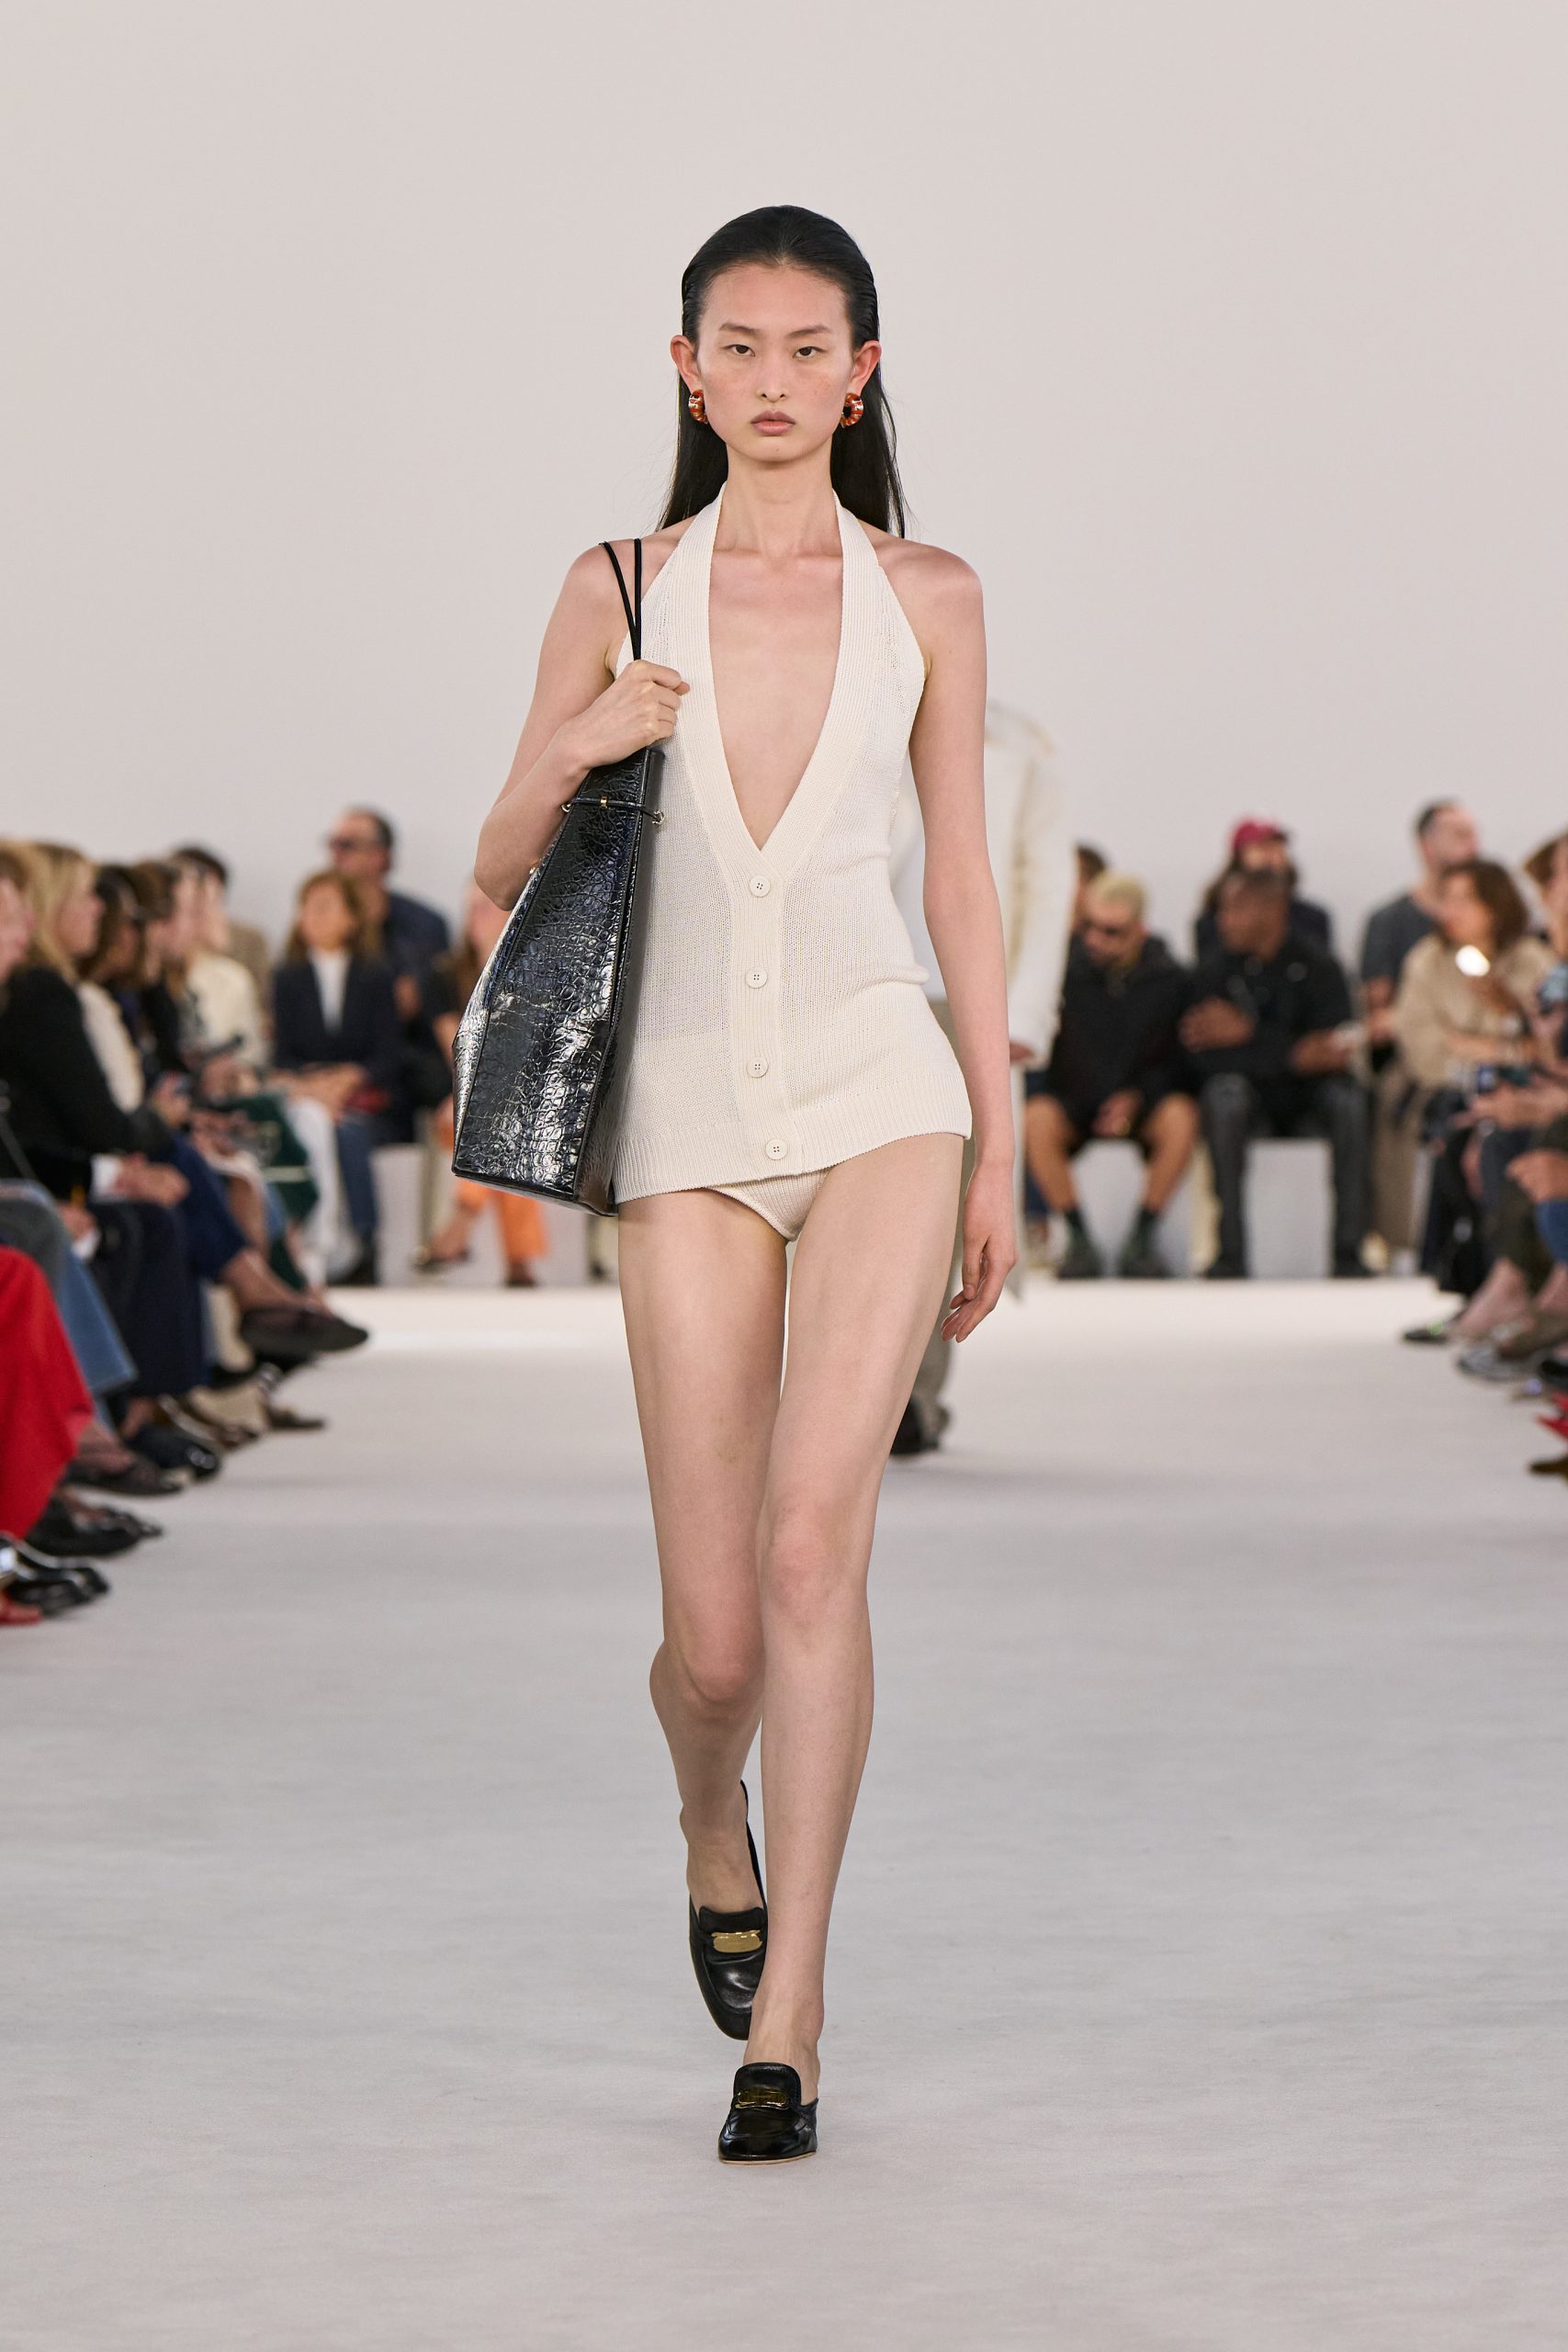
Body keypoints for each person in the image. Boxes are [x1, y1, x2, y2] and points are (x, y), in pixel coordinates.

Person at [470, 207, 1013, 2164]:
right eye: (739, 345)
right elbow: (495, 863)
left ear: (861, 373)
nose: (772, 379)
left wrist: (996, 1142)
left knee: (809, 1556)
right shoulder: (615, 583)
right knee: (712, 1643)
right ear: (685, 368)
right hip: (683, 1116)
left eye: (808, 348)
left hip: (882, 1090)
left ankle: (792, 2012)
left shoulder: (929, 592)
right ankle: (715, 1818)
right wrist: (586, 733)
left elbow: (960, 876)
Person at [891, 700, 1074, 1448]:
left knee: (947, 1211)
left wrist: (1023, 1012)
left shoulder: (1017, 744)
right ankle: (834, 1396)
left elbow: (1047, 879)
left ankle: (909, 1397)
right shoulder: (851, 699)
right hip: (856, 984)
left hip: (966, 1002)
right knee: (846, 1205)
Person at [1182, 867, 1368, 1277]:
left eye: (1236, 910)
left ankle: (1349, 1250)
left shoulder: (1320, 967)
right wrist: (1292, 1053)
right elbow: (1204, 1058)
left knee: (1349, 1101)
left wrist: (1248, 1036)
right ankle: (1230, 1251)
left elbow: (1336, 1053)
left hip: (1310, 1100)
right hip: (1250, 1101)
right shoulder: (1213, 972)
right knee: (1224, 1096)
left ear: (1273, 911)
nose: (1224, 922)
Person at [1023, 873, 1198, 1278]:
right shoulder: (1063, 974)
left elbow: (1181, 1060)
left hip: (1143, 1106)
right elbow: (1056, 1058)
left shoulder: (1170, 980)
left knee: (1182, 1118)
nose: (1096, 939)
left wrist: (1137, 1098)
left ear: (1139, 930)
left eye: (1111, 931)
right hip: (1078, 1103)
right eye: (1091, 926)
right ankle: (1078, 1240)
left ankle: (1142, 1238)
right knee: (1036, 1118)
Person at [1359, 802, 1482, 1257]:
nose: (1472, 844)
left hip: (1482, 1054)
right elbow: (1382, 1015)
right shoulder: (1394, 927)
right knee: (1410, 1102)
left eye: (1473, 834)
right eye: (1459, 834)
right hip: (1416, 1057)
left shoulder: (1499, 927)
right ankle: (1406, 1241)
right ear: (1426, 846)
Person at [271, 871, 403, 1285]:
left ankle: (363, 1242)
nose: (312, 916)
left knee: (349, 1133)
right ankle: (319, 1246)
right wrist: (316, 1086)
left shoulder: (375, 975)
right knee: (320, 1126)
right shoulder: (287, 977)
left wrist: (351, 1077)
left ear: (351, 918)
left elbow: (389, 1053)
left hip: (363, 1098)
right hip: (308, 1094)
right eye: (307, 907)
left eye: (325, 907)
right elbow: (283, 1055)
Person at [419, 884, 548, 1283]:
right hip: (463, 1096)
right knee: (492, 1120)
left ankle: (462, 1219)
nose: (477, 916)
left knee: (499, 1120)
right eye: (471, 908)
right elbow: (461, 1052)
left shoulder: (537, 970)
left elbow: (533, 1051)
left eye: (488, 907)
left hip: (526, 1095)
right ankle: (519, 1260)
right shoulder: (444, 976)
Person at [1193, 820, 1333, 961]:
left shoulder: (1312, 919)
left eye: (1276, 846)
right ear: (1239, 857)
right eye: (1262, 847)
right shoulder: (1211, 923)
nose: (1271, 855)